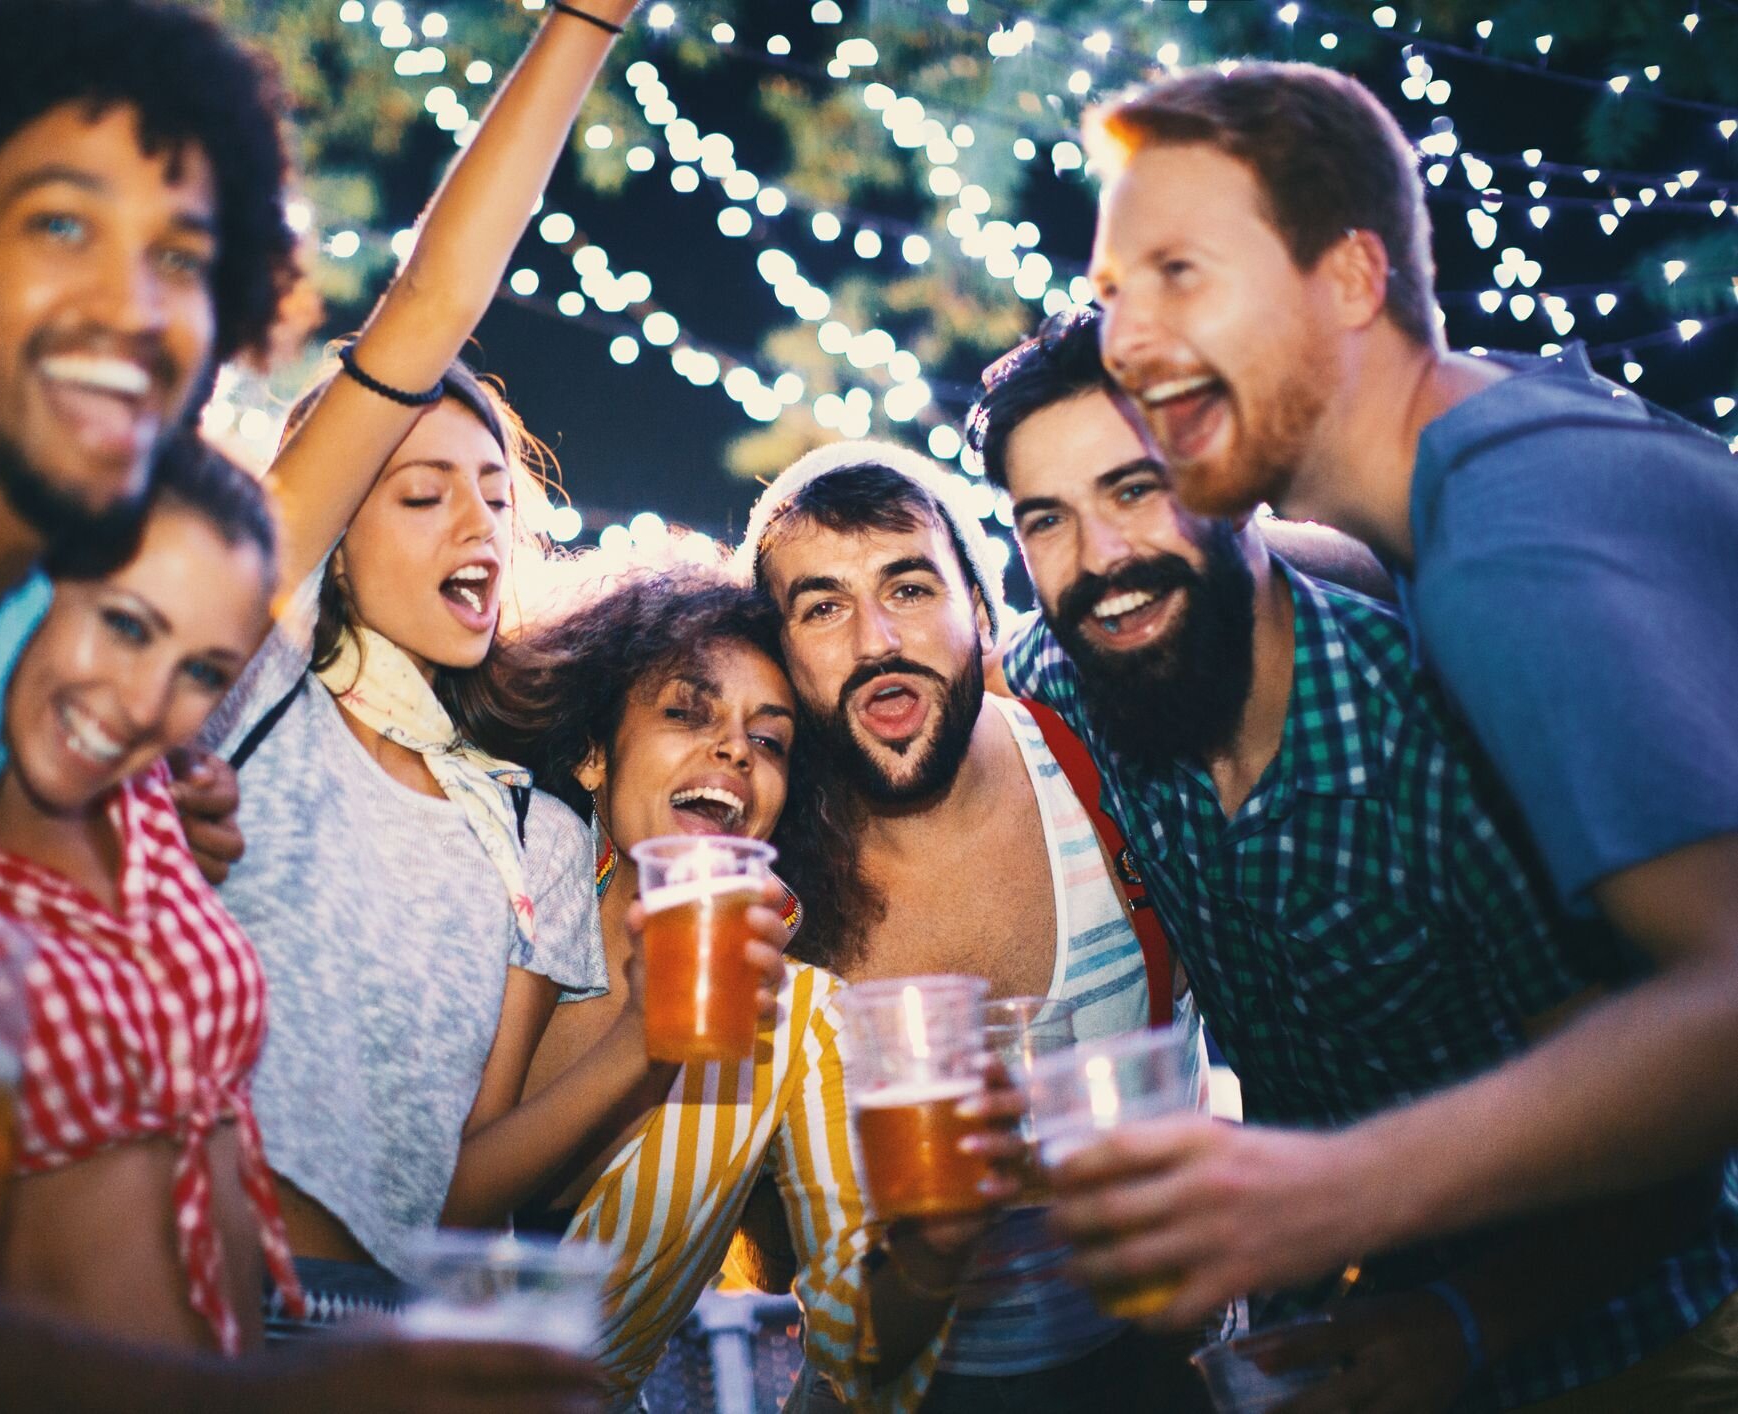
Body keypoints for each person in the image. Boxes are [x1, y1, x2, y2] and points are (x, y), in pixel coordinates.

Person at [0, 1, 599, 1409]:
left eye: (183, 256)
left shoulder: (39, 633)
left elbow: (424, 323)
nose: (134, 303)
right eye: (62, 224)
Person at [1039, 63, 1738, 1393]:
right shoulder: (1495, 451)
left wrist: (1333, 1189)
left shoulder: (1508, 560)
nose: (1126, 339)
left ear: (1352, 280)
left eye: (1179, 271)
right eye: (1111, 291)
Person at [184, 0, 765, 1337]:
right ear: (332, 541)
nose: (475, 525)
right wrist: (582, 26)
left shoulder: (532, 831)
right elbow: (433, 304)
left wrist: (642, 1049)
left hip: (386, 1345)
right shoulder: (247, 692)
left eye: (497, 496)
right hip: (184, 1308)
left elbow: (457, 1194)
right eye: (420, 492)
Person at [477, 568, 1026, 1412]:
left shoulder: (796, 1022)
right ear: (592, 753)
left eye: (768, 741)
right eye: (686, 712)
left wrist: (930, 1251)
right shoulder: (492, 894)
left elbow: (855, 1338)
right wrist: (636, 1044)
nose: (734, 749)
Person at [0, 437, 311, 1357]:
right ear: (31, 582)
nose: (142, 701)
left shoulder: (151, 791)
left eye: (202, 669)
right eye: (124, 624)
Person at [737, 444, 1210, 1413]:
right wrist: (932, 1242)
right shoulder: (762, 897)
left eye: (909, 586)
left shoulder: (1106, 769)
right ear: (779, 657)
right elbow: (837, 1323)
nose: (875, 640)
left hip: (1157, 1370)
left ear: (983, 612)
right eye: (822, 607)